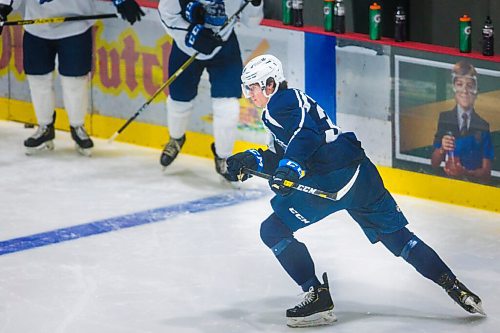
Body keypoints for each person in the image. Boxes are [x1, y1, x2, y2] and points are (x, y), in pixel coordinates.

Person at [225, 54, 485, 327]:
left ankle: (317, 296)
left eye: (253, 86)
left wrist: (290, 167)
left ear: (270, 84)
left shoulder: (282, 102)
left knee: (273, 230)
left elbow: (306, 136)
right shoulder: (287, 108)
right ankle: (454, 286)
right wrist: (250, 159)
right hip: (359, 174)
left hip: (328, 180)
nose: (249, 94)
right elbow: (286, 149)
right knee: (398, 238)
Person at [0, 0, 144, 156]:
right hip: (37, 25)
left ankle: (77, 127)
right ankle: (45, 127)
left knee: (75, 80)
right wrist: (2, 8)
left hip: (76, 24)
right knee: (38, 78)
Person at [157, 0, 263, 178]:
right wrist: (192, 34)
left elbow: (251, 22)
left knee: (228, 106)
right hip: (185, 47)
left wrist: (255, 4)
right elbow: (166, 13)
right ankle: (176, 138)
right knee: (179, 100)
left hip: (224, 46)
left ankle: (224, 157)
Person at [431, 60, 494, 184]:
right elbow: (434, 163)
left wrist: (464, 172)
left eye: (470, 86)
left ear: (476, 91)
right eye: (460, 84)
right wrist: (442, 149)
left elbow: (486, 172)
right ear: (454, 89)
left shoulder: (483, 125)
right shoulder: (445, 118)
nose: (464, 91)